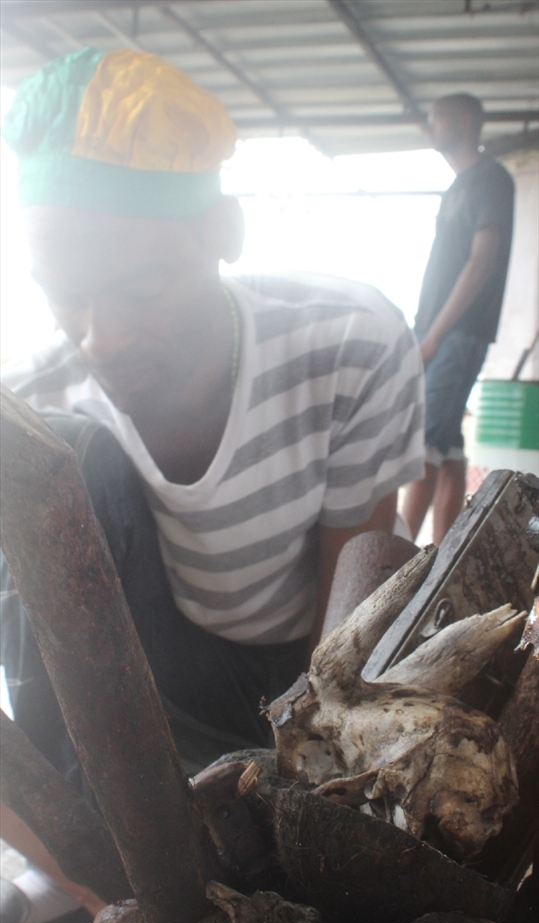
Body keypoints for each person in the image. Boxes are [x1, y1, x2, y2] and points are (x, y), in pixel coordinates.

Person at [1, 47, 424, 779]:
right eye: (64, 296)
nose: (100, 338)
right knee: (58, 449)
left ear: (221, 232)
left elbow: (348, 619)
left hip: (296, 668)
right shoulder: (37, 395)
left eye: (139, 285)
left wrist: (318, 761)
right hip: (144, 687)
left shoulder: (348, 342)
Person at [403, 93, 514, 545]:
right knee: (447, 449)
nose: (431, 126)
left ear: (465, 121)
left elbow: (481, 263)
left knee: (424, 448)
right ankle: (445, 558)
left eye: (439, 118)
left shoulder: (490, 179)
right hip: (437, 329)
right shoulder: (460, 184)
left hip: (455, 333)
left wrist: (434, 337)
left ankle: (398, 565)